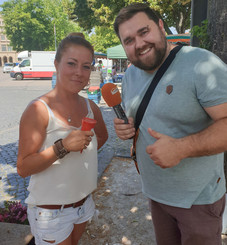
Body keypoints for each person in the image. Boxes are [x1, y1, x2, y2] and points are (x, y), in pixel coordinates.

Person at [113, 3, 227, 245]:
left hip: (198, 200)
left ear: (161, 26)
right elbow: (143, 118)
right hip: (156, 196)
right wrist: (125, 129)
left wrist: (182, 148)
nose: (139, 44)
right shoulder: (130, 75)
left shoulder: (201, 63)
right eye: (129, 40)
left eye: (144, 32)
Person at [17, 34, 108, 245]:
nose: (79, 72)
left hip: (84, 206)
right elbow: (22, 167)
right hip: (51, 214)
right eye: (71, 63)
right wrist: (63, 147)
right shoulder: (38, 110)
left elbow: (102, 136)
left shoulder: (91, 107)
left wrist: (82, 157)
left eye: (86, 66)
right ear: (56, 63)